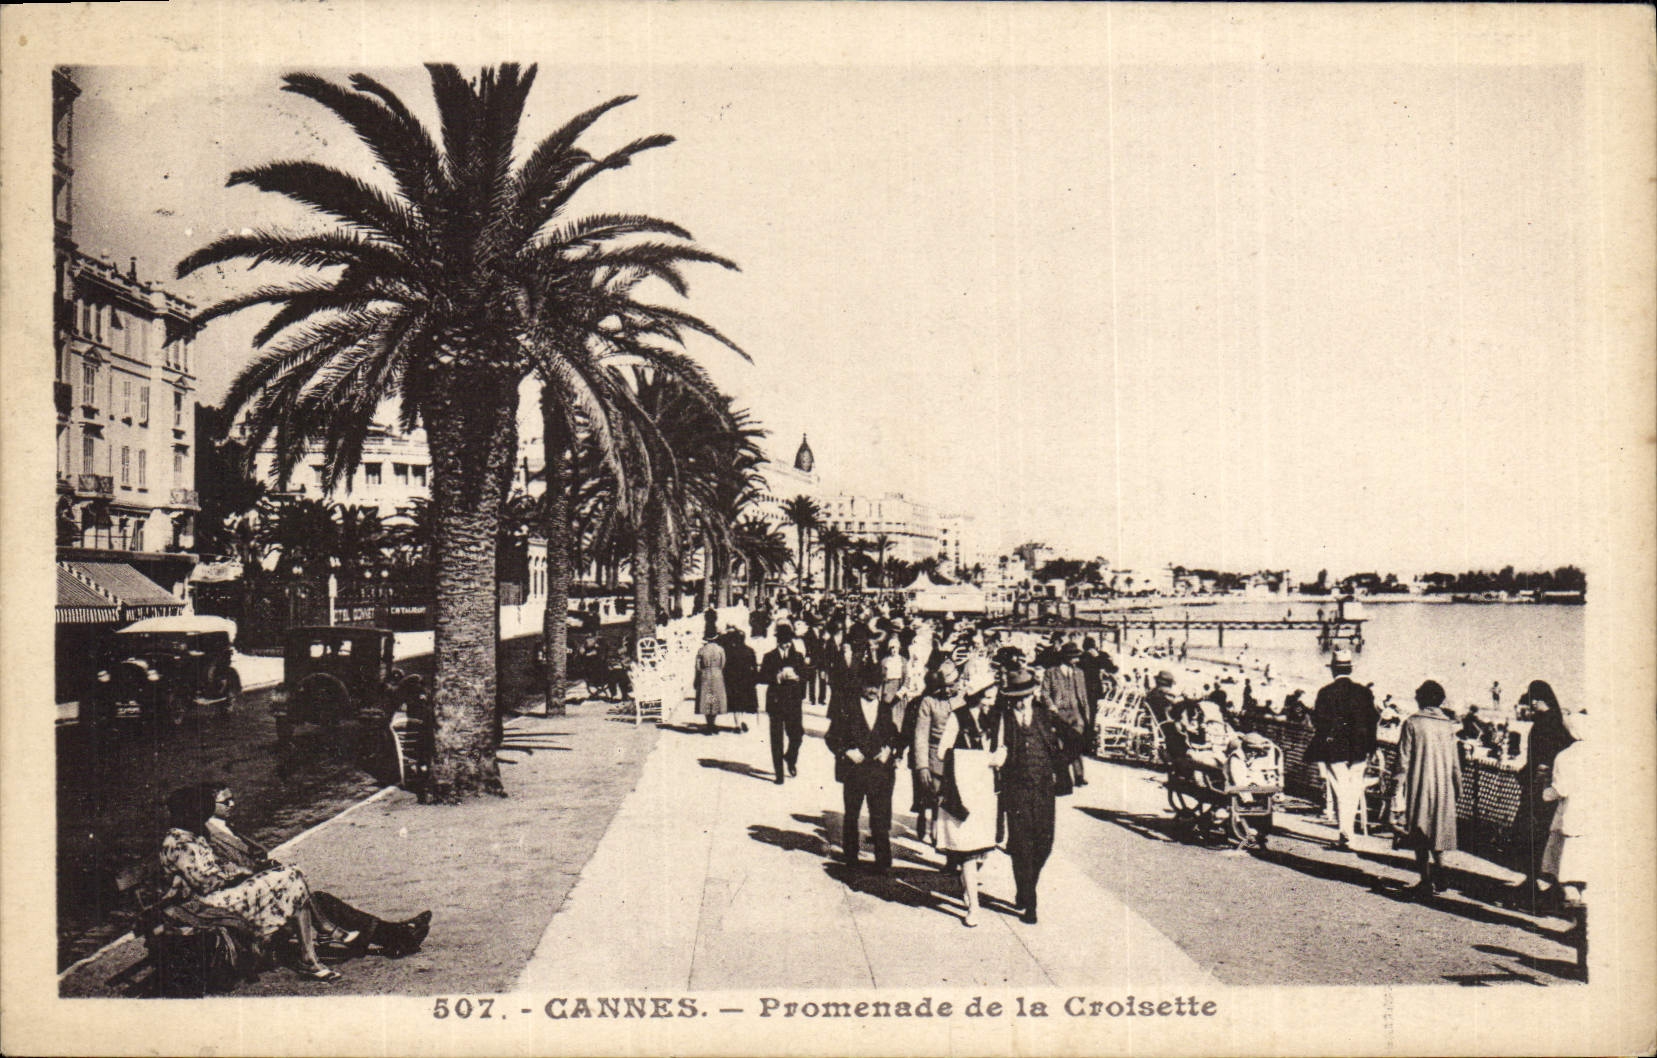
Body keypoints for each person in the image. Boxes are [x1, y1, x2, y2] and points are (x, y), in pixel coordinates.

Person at [197, 783, 432, 958]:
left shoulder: (224, 828)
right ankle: (395, 934)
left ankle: (394, 935)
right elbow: (231, 870)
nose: (232, 805)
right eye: (225, 802)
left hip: (261, 888)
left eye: (232, 799)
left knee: (320, 900)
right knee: (317, 900)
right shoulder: (209, 836)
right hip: (252, 897)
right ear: (208, 806)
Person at [995, 669, 1072, 924]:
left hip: (1043, 791)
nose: (1020, 701)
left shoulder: (1044, 716)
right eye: (1015, 697)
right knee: (1021, 846)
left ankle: (1025, 886)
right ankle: (1030, 900)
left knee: (1044, 845)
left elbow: (1075, 738)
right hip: (1015, 791)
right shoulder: (1002, 719)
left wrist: (1061, 767)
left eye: (1024, 696)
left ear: (1032, 694)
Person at [934, 672, 1005, 927]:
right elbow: (943, 752)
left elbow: (1002, 747)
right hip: (964, 789)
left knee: (983, 849)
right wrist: (979, 759)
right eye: (989, 694)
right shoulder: (958, 716)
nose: (992, 699)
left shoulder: (996, 718)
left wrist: (1000, 757)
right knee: (967, 849)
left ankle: (969, 884)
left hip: (986, 791)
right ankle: (974, 906)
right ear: (978, 694)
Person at [825, 663, 903, 873]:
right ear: (860, 685)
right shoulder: (847, 708)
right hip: (855, 771)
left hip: (879, 772)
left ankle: (882, 860)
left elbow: (894, 736)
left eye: (877, 686)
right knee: (852, 814)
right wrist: (846, 752)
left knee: (880, 815)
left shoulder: (885, 709)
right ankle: (851, 857)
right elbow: (831, 737)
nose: (873, 691)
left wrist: (890, 750)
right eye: (869, 686)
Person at [1510, 680, 1577, 909]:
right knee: (1545, 838)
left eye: (1532, 703)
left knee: (1532, 835)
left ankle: (1534, 886)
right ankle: (1543, 885)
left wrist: (1531, 776)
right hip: (1547, 789)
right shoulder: (1557, 722)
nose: (1530, 708)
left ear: (1539, 701)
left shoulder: (1544, 724)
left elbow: (1542, 760)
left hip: (1539, 790)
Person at [1393, 680, 1462, 898]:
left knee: (1420, 830)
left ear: (1421, 698)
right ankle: (1440, 868)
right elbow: (1455, 763)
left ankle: (1425, 879)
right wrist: (1457, 788)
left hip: (1419, 782)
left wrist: (1395, 789)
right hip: (1443, 785)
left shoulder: (1412, 723)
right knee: (1438, 829)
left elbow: (1402, 761)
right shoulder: (1448, 726)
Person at [1306, 647, 1378, 850]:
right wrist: (1372, 747)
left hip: (1334, 748)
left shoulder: (1325, 692)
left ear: (1333, 670)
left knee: (1340, 789)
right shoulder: (1364, 692)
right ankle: (1349, 835)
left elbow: (1320, 722)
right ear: (1351, 669)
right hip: (1359, 748)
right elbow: (1372, 720)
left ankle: (1345, 833)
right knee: (1354, 789)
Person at [909, 662, 960, 844]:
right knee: (934, 795)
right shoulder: (928, 702)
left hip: (957, 755)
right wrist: (922, 766)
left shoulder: (964, 699)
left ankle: (944, 833)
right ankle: (932, 828)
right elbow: (921, 736)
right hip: (934, 755)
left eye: (951, 686)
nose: (947, 690)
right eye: (944, 687)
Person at [758, 623, 809, 783]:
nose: (787, 645)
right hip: (776, 702)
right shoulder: (769, 656)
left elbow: (806, 675)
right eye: (784, 641)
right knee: (776, 739)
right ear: (778, 641)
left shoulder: (798, 656)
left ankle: (790, 757)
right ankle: (779, 774)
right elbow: (761, 677)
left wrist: (798, 677)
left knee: (797, 735)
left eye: (789, 641)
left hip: (794, 702)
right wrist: (776, 677)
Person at [1040, 642, 1089, 787]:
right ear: (1066, 657)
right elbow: (1044, 692)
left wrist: (1086, 714)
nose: (1077, 660)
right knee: (1062, 745)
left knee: (1076, 742)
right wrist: (1051, 706)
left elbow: (1084, 695)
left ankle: (1079, 775)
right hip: (1058, 713)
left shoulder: (1079, 673)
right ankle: (1063, 775)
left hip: (1075, 711)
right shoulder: (1051, 672)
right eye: (1074, 657)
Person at [720, 627, 758, 733]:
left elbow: (726, 667)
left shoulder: (730, 651)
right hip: (747, 681)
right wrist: (754, 679)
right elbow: (754, 667)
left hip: (734, 680)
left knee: (736, 703)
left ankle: (737, 724)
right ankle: (742, 721)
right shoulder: (750, 650)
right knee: (745, 702)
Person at [693, 629, 729, 733]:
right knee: (715, 699)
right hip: (717, 674)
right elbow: (723, 664)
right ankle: (713, 723)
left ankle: (709, 724)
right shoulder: (720, 650)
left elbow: (698, 666)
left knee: (707, 699)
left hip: (705, 675)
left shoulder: (702, 650)